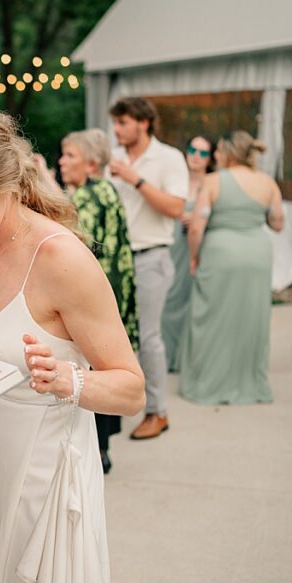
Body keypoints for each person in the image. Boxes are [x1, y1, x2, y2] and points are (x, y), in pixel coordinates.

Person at [0, 102, 145, 583]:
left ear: (9, 182)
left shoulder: (60, 258)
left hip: (44, 467)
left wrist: (65, 378)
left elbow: (130, 390)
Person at [177, 130, 284, 405]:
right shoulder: (267, 182)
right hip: (258, 255)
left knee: (211, 316)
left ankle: (210, 383)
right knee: (250, 316)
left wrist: (192, 257)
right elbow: (278, 223)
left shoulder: (213, 181)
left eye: (219, 151)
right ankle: (247, 382)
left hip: (220, 254)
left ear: (229, 153)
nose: (215, 156)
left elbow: (196, 227)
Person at [58, 128, 139, 474]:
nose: (62, 161)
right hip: (117, 287)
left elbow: (78, 243)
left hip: (98, 293)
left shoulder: (90, 196)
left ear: (91, 164)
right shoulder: (106, 189)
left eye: (70, 156)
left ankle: (98, 449)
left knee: (97, 368)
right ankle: (104, 447)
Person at [107, 96, 189, 439]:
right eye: (116, 122)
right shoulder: (114, 158)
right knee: (116, 337)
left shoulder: (169, 158)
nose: (117, 129)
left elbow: (175, 207)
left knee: (148, 337)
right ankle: (119, 407)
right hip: (116, 258)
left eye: (123, 122)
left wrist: (135, 179)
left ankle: (158, 412)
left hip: (151, 256)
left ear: (143, 123)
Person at [161, 135, 215, 372]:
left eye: (203, 153)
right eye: (193, 149)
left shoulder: (212, 183)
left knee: (200, 302)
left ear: (210, 158)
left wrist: (197, 220)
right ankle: (169, 358)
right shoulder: (176, 179)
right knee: (170, 301)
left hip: (202, 247)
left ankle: (193, 360)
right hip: (175, 246)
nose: (196, 156)